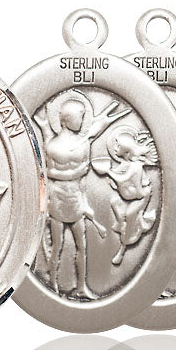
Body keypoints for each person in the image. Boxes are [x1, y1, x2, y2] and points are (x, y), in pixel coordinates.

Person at [34, 89, 129, 300]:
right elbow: (48, 173)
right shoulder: (53, 145)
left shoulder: (81, 143)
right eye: (79, 116)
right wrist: (72, 174)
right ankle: (53, 285)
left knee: (81, 246)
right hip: (58, 201)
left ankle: (81, 287)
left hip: (76, 200)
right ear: (67, 119)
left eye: (83, 117)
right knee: (57, 246)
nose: (82, 121)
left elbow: (79, 170)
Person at [92, 126, 158, 265]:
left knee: (130, 214)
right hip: (130, 196)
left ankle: (122, 249)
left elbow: (123, 179)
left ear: (126, 150)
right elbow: (118, 183)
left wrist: (109, 172)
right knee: (115, 202)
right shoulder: (125, 164)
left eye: (118, 146)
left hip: (140, 196)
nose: (115, 148)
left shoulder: (136, 167)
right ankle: (123, 224)